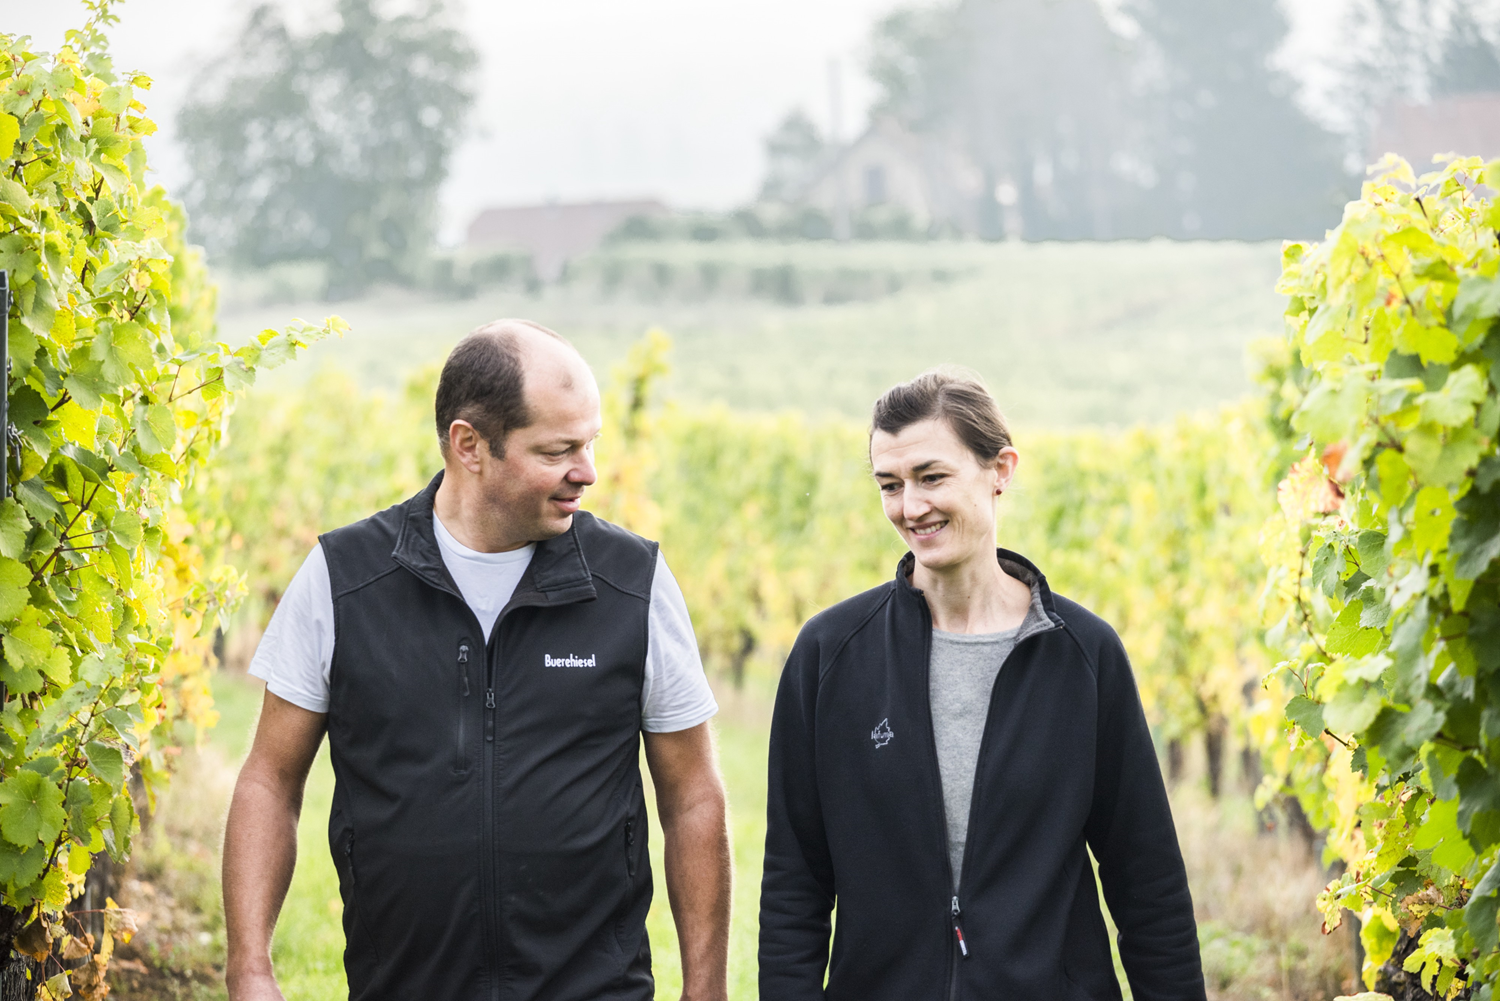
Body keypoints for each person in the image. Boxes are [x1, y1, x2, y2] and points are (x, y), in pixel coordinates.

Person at [223, 320, 731, 1001]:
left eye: (590, 443)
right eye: (558, 450)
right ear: (469, 445)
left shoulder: (633, 584)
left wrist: (706, 989)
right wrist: (250, 969)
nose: (587, 471)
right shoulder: (343, 579)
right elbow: (269, 781)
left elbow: (693, 797)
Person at [759, 370, 1205, 1000]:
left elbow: (1145, 878)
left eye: (931, 477)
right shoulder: (830, 654)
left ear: (1001, 470)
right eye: (890, 485)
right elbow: (794, 882)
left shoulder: (1083, 655)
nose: (910, 507)